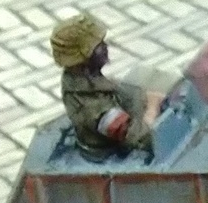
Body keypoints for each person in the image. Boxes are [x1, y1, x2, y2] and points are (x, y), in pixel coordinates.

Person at [49, 12, 151, 160]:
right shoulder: (95, 109)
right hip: (110, 151)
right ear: (84, 57)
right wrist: (154, 107)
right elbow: (137, 136)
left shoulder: (84, 79)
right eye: (98, 46)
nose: (105, 47)